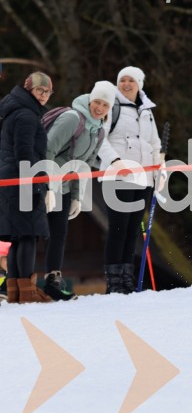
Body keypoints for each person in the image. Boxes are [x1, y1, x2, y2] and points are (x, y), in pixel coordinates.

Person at [41, 81, 116, 300]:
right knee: (30, 232)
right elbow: (47, 149)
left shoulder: (99, 132)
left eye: (105, 105)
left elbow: (82, 168)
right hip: (43, 180)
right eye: (97, 102)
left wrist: (75, 197)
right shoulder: (73, 118)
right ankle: (13, 280)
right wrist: (46, 185)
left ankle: (52, 283)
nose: (99, 108)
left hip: (64, 187)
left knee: (59, 234)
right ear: (90, 99)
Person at [96, 67, 163, 293]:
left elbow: (154, 144)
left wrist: (159, 172)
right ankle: (114, 283)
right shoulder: (111, 106)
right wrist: (115, 162)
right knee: (118, 228)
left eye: (131, 80)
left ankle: (127, 279)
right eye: (122, 80)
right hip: (118, 176)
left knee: (133, 229)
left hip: (143, 179)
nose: (126, 84)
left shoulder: (147, 110)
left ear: (139, 84)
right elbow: (100, 139)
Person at [0, 72, 54, 303]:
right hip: (23, 179)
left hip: (8, 179)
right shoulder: (26, 115)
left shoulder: (12, 110)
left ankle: (15, 293)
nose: (43, 96)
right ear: (28, 89)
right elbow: (25, 152)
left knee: (17, 236)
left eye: (47, 92)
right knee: (28, 235)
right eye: (39, 90)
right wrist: (39, 184)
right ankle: (28, 294)